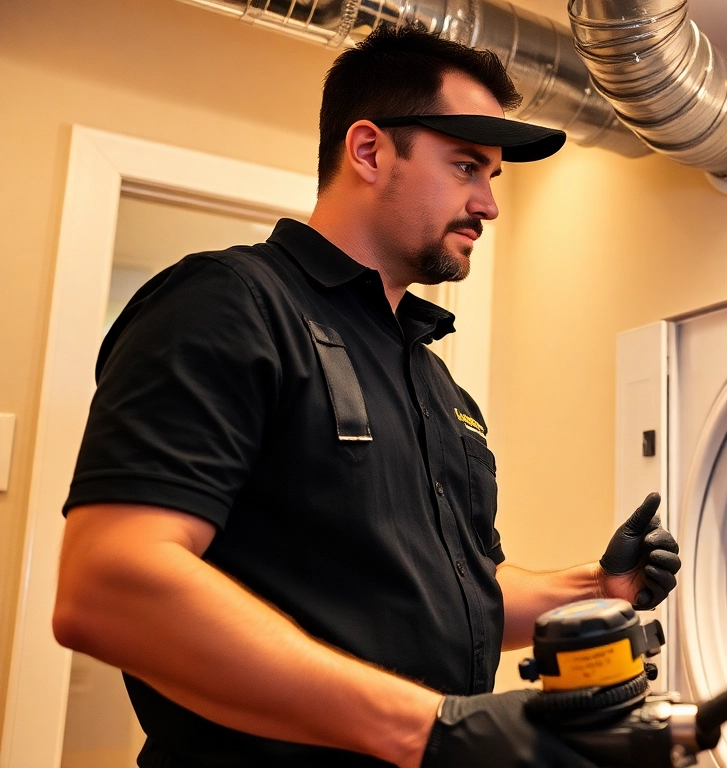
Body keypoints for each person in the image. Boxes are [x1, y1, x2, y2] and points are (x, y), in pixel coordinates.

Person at [51, 26, 679, 768]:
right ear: (370, 150)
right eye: (466, 166)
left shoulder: (433, 378)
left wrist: (595, 587)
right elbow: (108, 586)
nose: (489, 204)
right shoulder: (230, 304)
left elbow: (448, 596)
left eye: (493, 177)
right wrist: (431, 729)